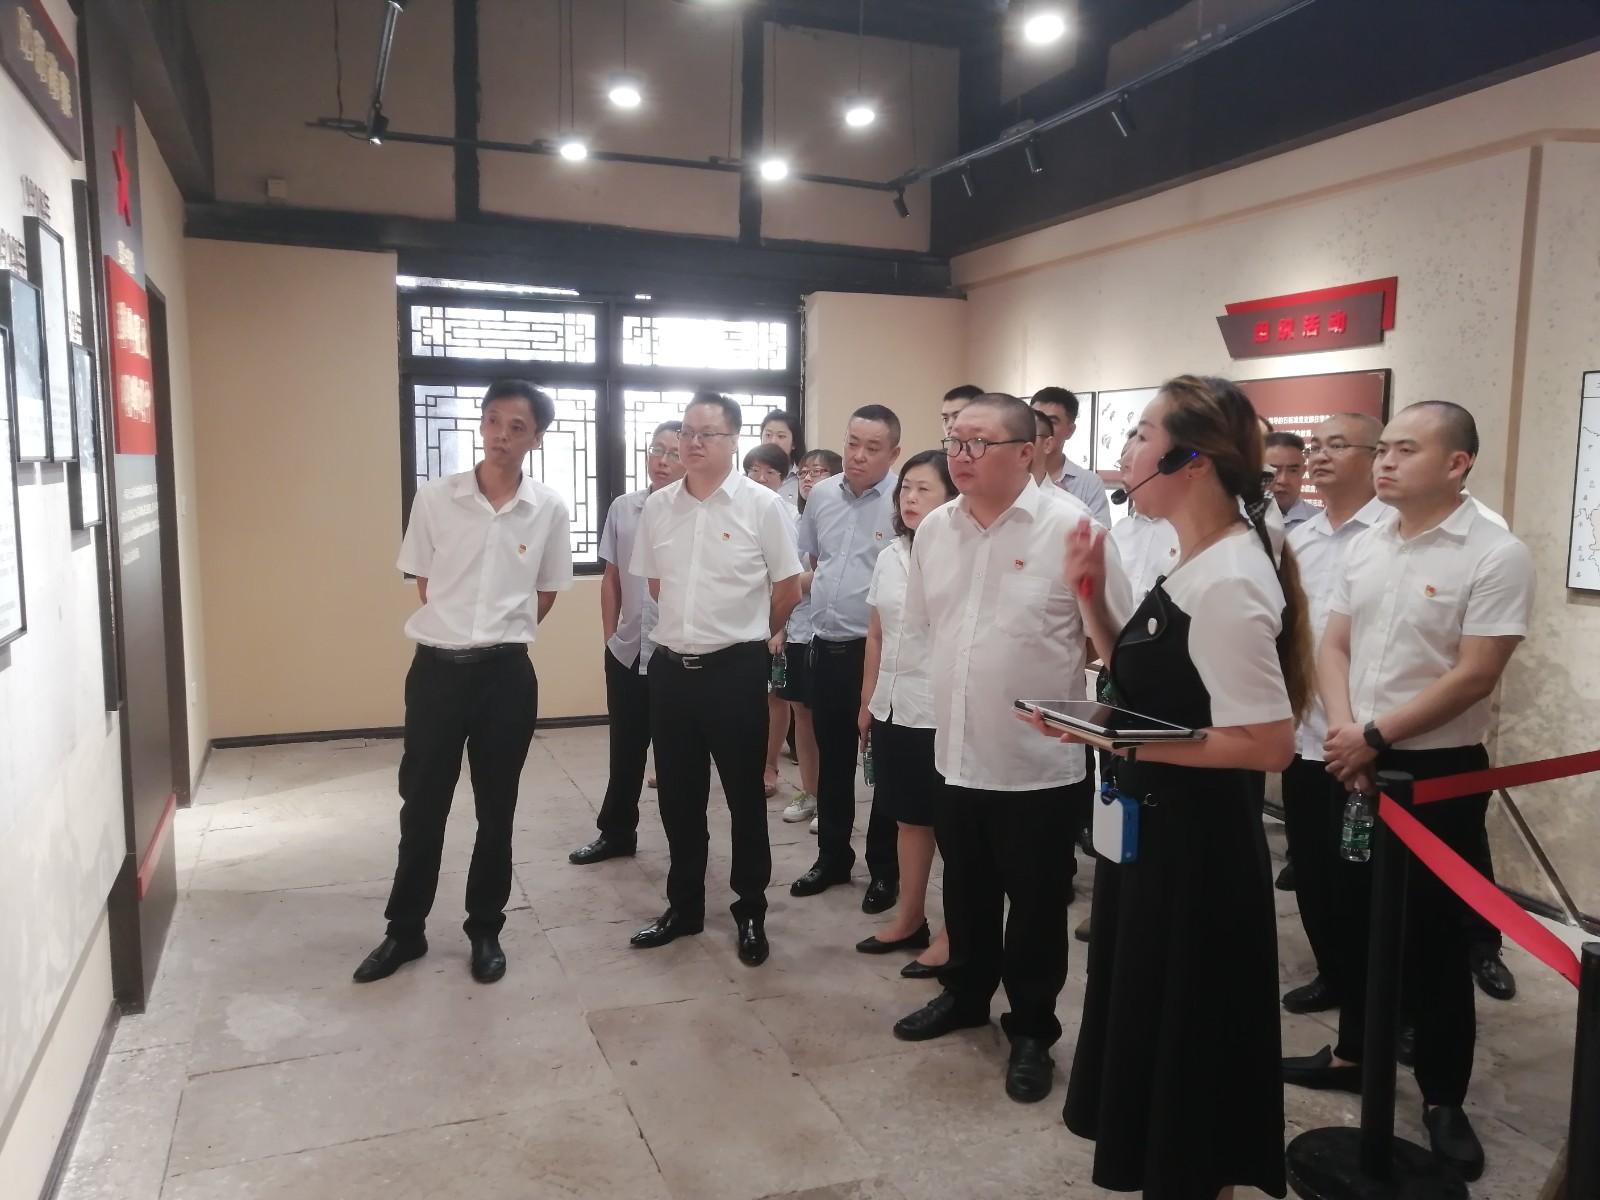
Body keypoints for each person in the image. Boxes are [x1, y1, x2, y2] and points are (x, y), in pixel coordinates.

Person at [1043, 375, 1309, 1199]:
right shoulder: (1190, 558)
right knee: (1155, 1027)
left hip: (1198, 854)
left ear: (1192, 459)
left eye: (1142, 434)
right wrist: (1092, 597)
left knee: (1190, 1038)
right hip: (1156, 836)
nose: (1126, 451)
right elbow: (1144, 684)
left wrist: (1116, 740)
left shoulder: (1230, 578)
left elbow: (1268, 743)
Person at [1283, 401, 1534, 1183]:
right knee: (1350, 916)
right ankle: (1355, 1052)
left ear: (1457, 463)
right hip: (1348, 757)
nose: (1385, 462)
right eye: (1384, 448)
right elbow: (1334, 644)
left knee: (1432, 938)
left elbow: (1476, 673)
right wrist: (1348, 731)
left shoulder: (1494, 552)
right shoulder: (1371, 543)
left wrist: (1377, 737)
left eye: (1406, 450)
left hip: (1434, 772)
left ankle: (1443, 1096)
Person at [892, 393, 1124, 1108]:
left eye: (978, 443)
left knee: (1036, 906)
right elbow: (927, 626)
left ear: (1027, 452)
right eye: (953, 441)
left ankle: (1032, 1029)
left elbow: (1111, 643)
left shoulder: (1074, 529)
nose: (959, 456)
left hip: (1037, 764)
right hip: (957, 752)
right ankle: (965, 994)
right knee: (965, 889)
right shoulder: (936, 529)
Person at [355, 380, 574, 985]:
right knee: (422, 805)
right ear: (481, 424)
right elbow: (425, 582)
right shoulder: (436, 498)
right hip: (436, 673)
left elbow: (547, 590)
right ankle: (405, 930)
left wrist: (498, 632)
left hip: (506, 677)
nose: (501, 435)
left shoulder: (548, 508)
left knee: (496, 808)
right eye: (493, 421)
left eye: (517, 427)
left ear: (536, 438)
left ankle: (485, 928)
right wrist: (460, 630)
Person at [628, 393, 803, 967]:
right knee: (679, 798)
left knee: (745, 798)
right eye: (686, 432)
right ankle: (684, 907)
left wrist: (748, 636)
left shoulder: (762, 505)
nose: (693, 442)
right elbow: (656, 585)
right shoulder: (659, 507)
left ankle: (750, 909)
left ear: (733, 441)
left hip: (735, 670)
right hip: (672, 671)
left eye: (707, 433)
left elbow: (788, 588)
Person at [1274, 414, 1385, 1013]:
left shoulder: (1392, 535)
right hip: (1307, 736)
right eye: (1316, 445)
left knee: (1374, 881)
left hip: (1371, 739)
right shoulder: (1301, 539)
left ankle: (1391, 1004)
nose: (1319, 456)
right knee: (1315, 872)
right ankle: (1335, 977)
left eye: (1336, 446)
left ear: (1376, 454)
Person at [790, 406, 903, 915]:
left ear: (893, 453)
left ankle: (884, 870)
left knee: (883, 765)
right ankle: (832, 857)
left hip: (878, 652)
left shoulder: (904, 502)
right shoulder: (822, 496)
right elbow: (816, 560)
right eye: (852, 443)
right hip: (827, 647)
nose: (858, 455)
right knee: (833, 761)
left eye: (872, 448)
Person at [854, 449, 958, 976]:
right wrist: (868, 702)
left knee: (954, 829)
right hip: (894, 706)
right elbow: (877, 634)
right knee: (908, 820)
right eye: (906, 489)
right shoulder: (891, 554)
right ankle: (910, 918)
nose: (909, 498)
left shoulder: (962, 556)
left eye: (924, 489)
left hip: (943, 712)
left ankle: (954, 933)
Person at [569, 422, 686, 866]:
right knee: (625, 748)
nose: (662, 460)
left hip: (677, 653)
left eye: (673, 453)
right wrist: (610, 637)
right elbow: (612, 577)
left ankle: (685, 847)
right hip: (628, 649)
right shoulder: (624, 507)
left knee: (676, 756)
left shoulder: (695, 513)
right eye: (657, 450)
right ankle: (617, 832)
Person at [780, 450, 844, 830]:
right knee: (800, 716)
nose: (808, 478)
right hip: (798, 631)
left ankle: (832, 801)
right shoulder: (793, 519)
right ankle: (810, 792)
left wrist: (794, 584)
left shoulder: (838, 519)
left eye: (818, 471)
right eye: (804, 471)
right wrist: (779, 627)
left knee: (828, 721)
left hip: (829, 632)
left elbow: (827, 576)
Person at [745, 442, 801, 799]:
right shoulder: (734, 509)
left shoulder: (788, 514)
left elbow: (790, 579)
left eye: (770, 472)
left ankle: (769, 766)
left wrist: (778, 628)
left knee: (775, 697)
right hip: (741, 621)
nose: (761, 477)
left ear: (783, 479)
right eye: (754, 470)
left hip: (777, 620)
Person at [1031, 386, 1113, 526]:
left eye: (1052, 421)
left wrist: (1067, 506)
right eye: (1035, 419)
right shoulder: (1012, 475)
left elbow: (1100, 535)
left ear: (1070, 431)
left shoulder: (1089, 483)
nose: (1040, 427)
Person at [1264, 431, 1318, 529]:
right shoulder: (1240, 520)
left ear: (1303, 471)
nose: (1283, 480)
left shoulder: (1319, 521)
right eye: (1274, 470)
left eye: (1293, 471)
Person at [760, 409, 806, 505]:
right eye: (768, 435)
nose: (773, 441)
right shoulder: (750, 477)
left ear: (794, 443)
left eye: (781, 436)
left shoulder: (805, 479)